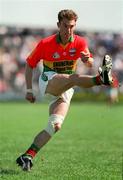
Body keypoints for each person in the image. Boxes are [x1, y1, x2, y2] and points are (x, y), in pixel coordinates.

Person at [16, 9, 114, 171]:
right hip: (48, 82)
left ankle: (27, 155)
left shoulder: (80, 41)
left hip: (65, 88)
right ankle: (100, 79)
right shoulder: (45, 43)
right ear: (58, 25)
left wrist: (87, 60)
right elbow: (29, 64)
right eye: (65, 26)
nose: (69, 30)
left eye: (72, 26)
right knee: (74, 78)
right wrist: (29, 90)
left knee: (55, 125)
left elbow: (89, 61)